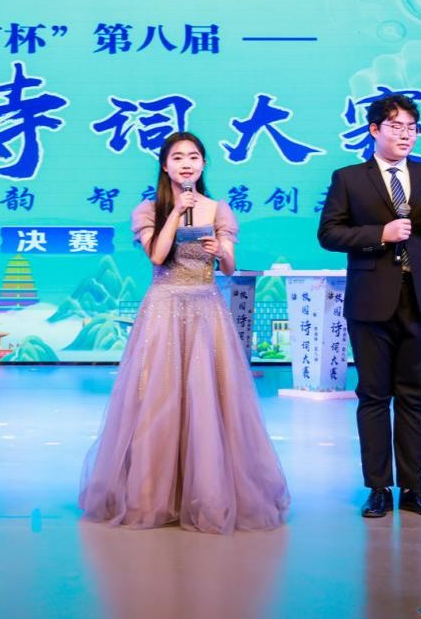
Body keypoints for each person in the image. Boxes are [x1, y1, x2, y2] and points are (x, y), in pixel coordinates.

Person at [80, 131, 289, 534]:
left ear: (203, 164)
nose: (186, 164)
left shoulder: (219, 209)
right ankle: (153, 493)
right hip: (164, 308)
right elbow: (157, 256)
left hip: (207, 308)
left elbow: (229, 268)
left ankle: (206, 491)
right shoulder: (149, 210)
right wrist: (176, 213)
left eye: (194, 156)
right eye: (177, 157)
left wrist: (220, 251)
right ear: (165, 166)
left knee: (208, 399)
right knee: (158, 398)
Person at [317, 94, 421, 520]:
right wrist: (379, 234)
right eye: (396, 126)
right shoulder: (349, 178)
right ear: (374, 130)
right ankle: (377, 488)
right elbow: (329, 234)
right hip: (371, 301)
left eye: (411, 128)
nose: (406, 135)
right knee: (373, 396)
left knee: (414, 396)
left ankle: (413, 487)